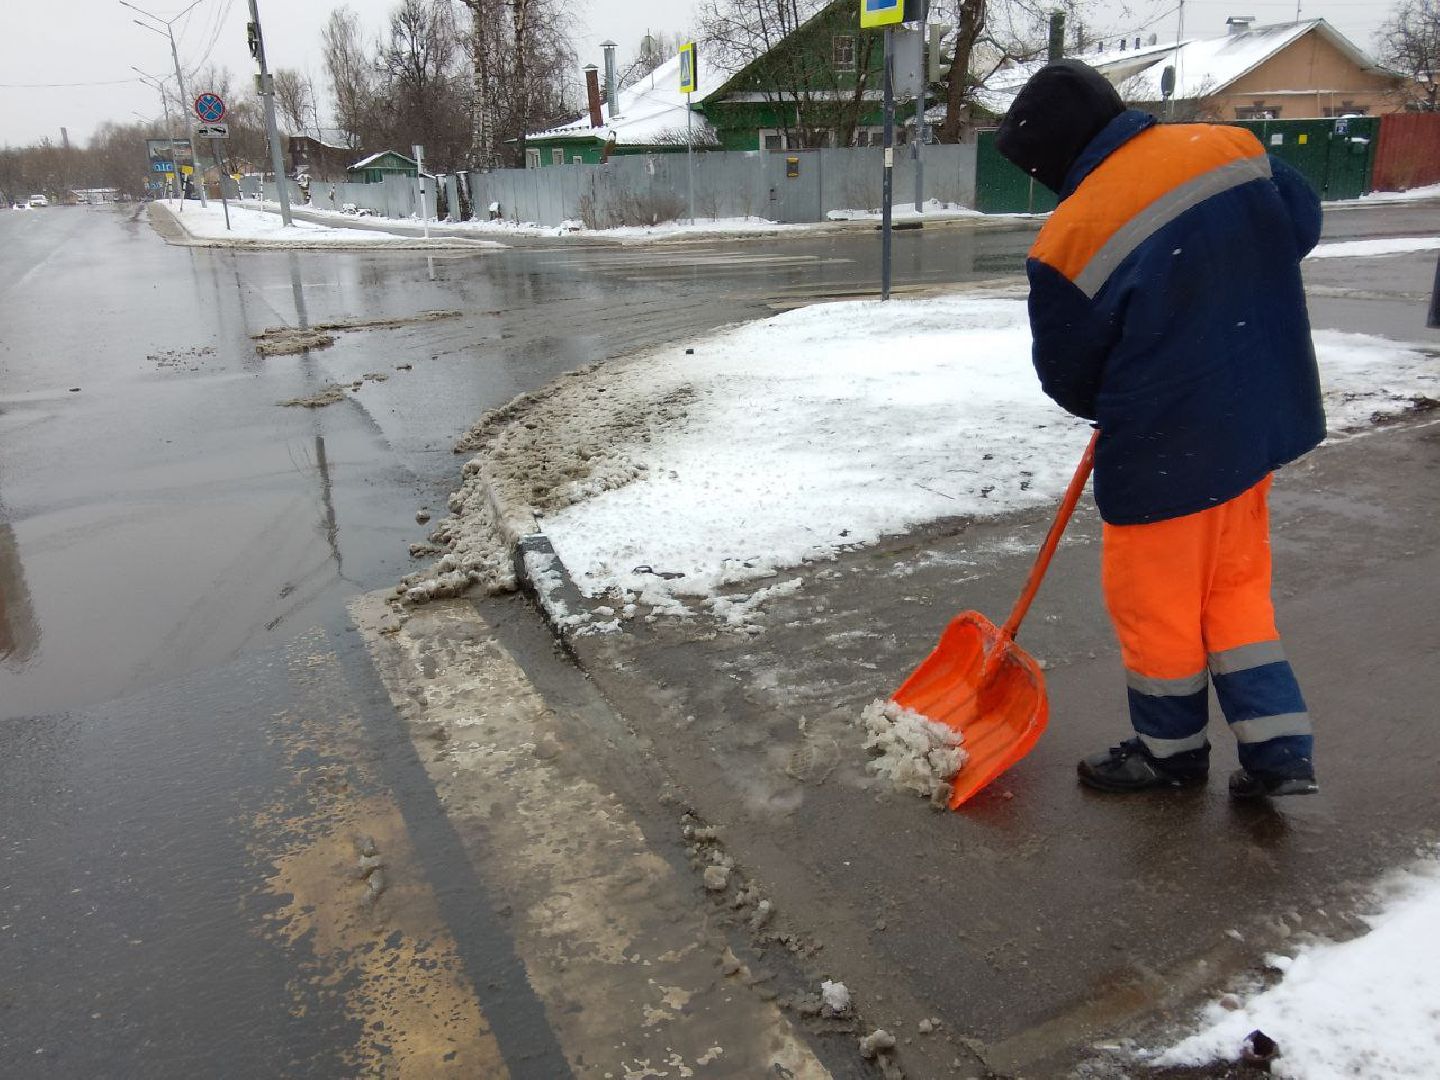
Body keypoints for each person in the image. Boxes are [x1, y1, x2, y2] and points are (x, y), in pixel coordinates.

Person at [995, 61, 1323, 799]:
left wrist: (1165, 337)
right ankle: (1279, 753)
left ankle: (1169, 753)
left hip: (1168, 449)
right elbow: (1299, 222)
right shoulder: (1230, 147)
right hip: (1253, 424)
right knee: (1234, 591)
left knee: (1158, 607)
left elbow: (1072, 380)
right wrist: (1212, 293)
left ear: (1053, 155)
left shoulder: (1072, 234)